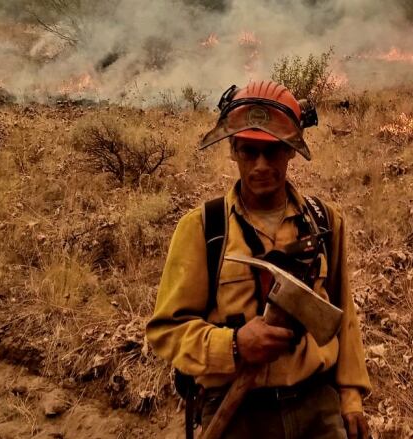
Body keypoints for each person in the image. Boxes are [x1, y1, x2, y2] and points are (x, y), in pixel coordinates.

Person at [146, 80, 371, 439]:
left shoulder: (326, 222)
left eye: (273, 151)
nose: (261, 165)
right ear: (232, 150)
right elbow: (166, 332)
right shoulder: (204, 229)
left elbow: (344, 317)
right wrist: (234, 345)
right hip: (237, 412)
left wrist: (350, 395)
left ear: (291, 151)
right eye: (249, 151)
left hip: (316, 408)